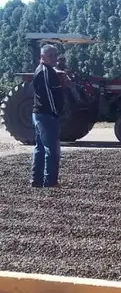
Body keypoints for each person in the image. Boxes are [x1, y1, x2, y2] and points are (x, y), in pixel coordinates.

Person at [31, 44, 65, 188]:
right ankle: (50, 182)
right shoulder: (45, 72)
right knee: (52, 149)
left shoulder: (50, 71)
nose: (53, 58)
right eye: (49, 55)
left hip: (42, 114)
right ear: (42, 57)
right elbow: (49, 95)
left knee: (40, 148)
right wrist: (56, 112)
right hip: (46, 115)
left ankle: (36, 180)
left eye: (54, 55)